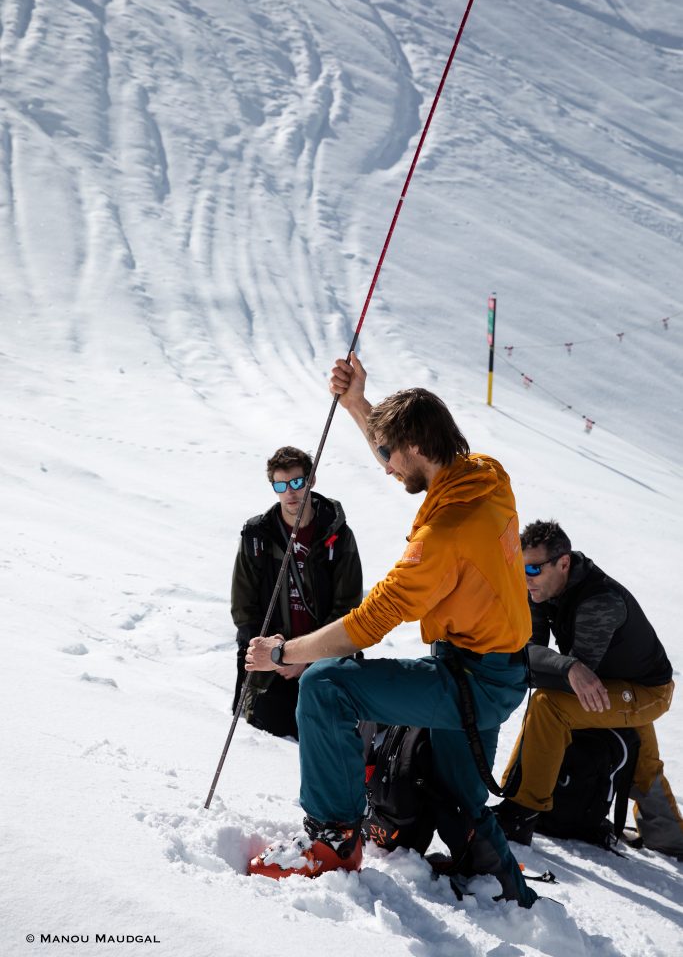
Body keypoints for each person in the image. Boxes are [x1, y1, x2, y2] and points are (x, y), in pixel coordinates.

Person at [244, 354, 538, 908]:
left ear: (419, 448)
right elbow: (407, 453)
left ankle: (333, 841)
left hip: (470, 683)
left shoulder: (446, 534)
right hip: (494, 668)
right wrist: (359, 406)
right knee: (460, 800)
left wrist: (287, 650)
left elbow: (368, 623)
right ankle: (510, 896)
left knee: (326, 685)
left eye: (392, 455)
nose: (385, 468)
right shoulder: (484, 474)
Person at [495, 519, 683, 858]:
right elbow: (528, 655)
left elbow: (577, 679)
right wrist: (565, 665)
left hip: (646, 691)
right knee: (642, 761)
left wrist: (565, 667)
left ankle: (521, 812)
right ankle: (671, 838)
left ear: (563, 563)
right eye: (521, 568)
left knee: (549, 706)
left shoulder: (600, 602)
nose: (525, 578)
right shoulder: (541, 588)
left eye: (534, 569)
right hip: (609, 681)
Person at [231, 445, 363, 739]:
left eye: (296, 482)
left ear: (311, 480)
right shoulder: (257, 536)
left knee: (330, 741)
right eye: (281, 485)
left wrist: (306, 656)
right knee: (269, 746)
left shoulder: (338, 534)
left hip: (325, 663)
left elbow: (348, 608)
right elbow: (244, 609)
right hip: (271, 670)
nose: (290, 492)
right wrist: (272, 653)